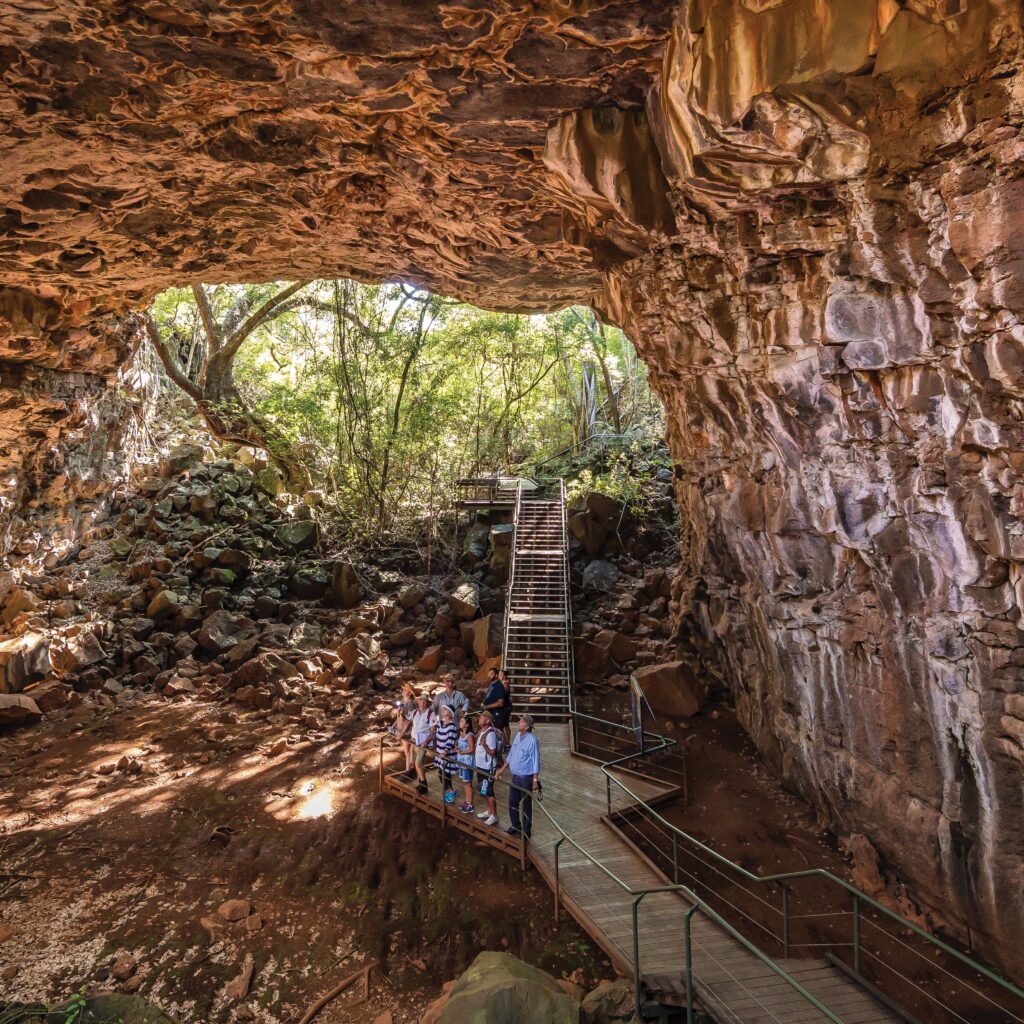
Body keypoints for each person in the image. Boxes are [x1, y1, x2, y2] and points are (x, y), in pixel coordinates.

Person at [496, 714, 540, 838]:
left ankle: (526, 831)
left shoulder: (532, 740)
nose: (518, 722)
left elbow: (536, 759)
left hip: (526, 777)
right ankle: (516, 826)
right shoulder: (517, 736)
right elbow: (511, 755)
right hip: (515, 776)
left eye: (521, 721)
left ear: (526, 726)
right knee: (512, 802)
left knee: (526, 804)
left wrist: (535, 779)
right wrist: (502, 769)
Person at [473, 711, 500, 827]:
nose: (480, 718)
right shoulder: (482, 732)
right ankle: (489, 811)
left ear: (488, 720)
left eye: (482, 717)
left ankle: (494, 815)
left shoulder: (490, 734)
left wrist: (484, 745)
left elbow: (493, 752)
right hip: (481, 766)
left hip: (488, 768)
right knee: (484, 791)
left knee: (489, 792)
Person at [410, 693, 436, 795]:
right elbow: (409, 723)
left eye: (425, 701)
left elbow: (433, 730)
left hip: (423, 742)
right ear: (418, 702)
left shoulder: (431, 714)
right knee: (417, 763)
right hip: (414, 739)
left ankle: (424, 785)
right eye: (421, 701)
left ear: (427, 703)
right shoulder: (415, 712)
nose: (422, 703)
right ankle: (421, 782)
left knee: (418, 763)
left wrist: (427, 741)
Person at [390, 684, 417, 777]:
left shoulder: (411, 704)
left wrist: (402, 732)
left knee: (407, 750)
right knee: (406, 750)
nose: (403, 691)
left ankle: (408, 770)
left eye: (405, 690)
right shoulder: (402, 701)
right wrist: (394, 726)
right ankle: (409, 768)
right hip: (401, 727)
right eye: (403, 689)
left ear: (409, 693)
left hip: (407, 730)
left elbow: (409, 720)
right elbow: (399, 716)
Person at [434, 704, 458, 801]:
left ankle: (449, 792)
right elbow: (437, 735)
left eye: (446, 709)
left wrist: (445, 751)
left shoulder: (452, 726)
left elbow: (451, 740)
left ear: (450, 713)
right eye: (444, 709)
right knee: (442, 774)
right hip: (440, 752)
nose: (443, 710)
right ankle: (451, 790)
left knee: (444, 774)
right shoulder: (440, 723)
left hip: (447, 754)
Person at [483, 667, 510, 746]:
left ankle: (503, 747)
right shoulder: (492, 685)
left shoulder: (499, 686)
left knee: (498, 733)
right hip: (491, 713)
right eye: (489, 674)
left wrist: (487, 707)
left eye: (491, 674)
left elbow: (500, 703)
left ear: (496, 675)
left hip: (497, 714)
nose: (489, 676)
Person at [455, 712, 475, 813]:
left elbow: (472, 749)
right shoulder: (461, 733)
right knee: (465, 782)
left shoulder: (469, 735)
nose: (460, 722)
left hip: (467, 762)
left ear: (467, 724)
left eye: (462, 721)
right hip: (462, 761)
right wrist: (458, 748)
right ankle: (467, 801)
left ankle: (470, 804)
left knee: (468, 783)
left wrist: (462, 752)